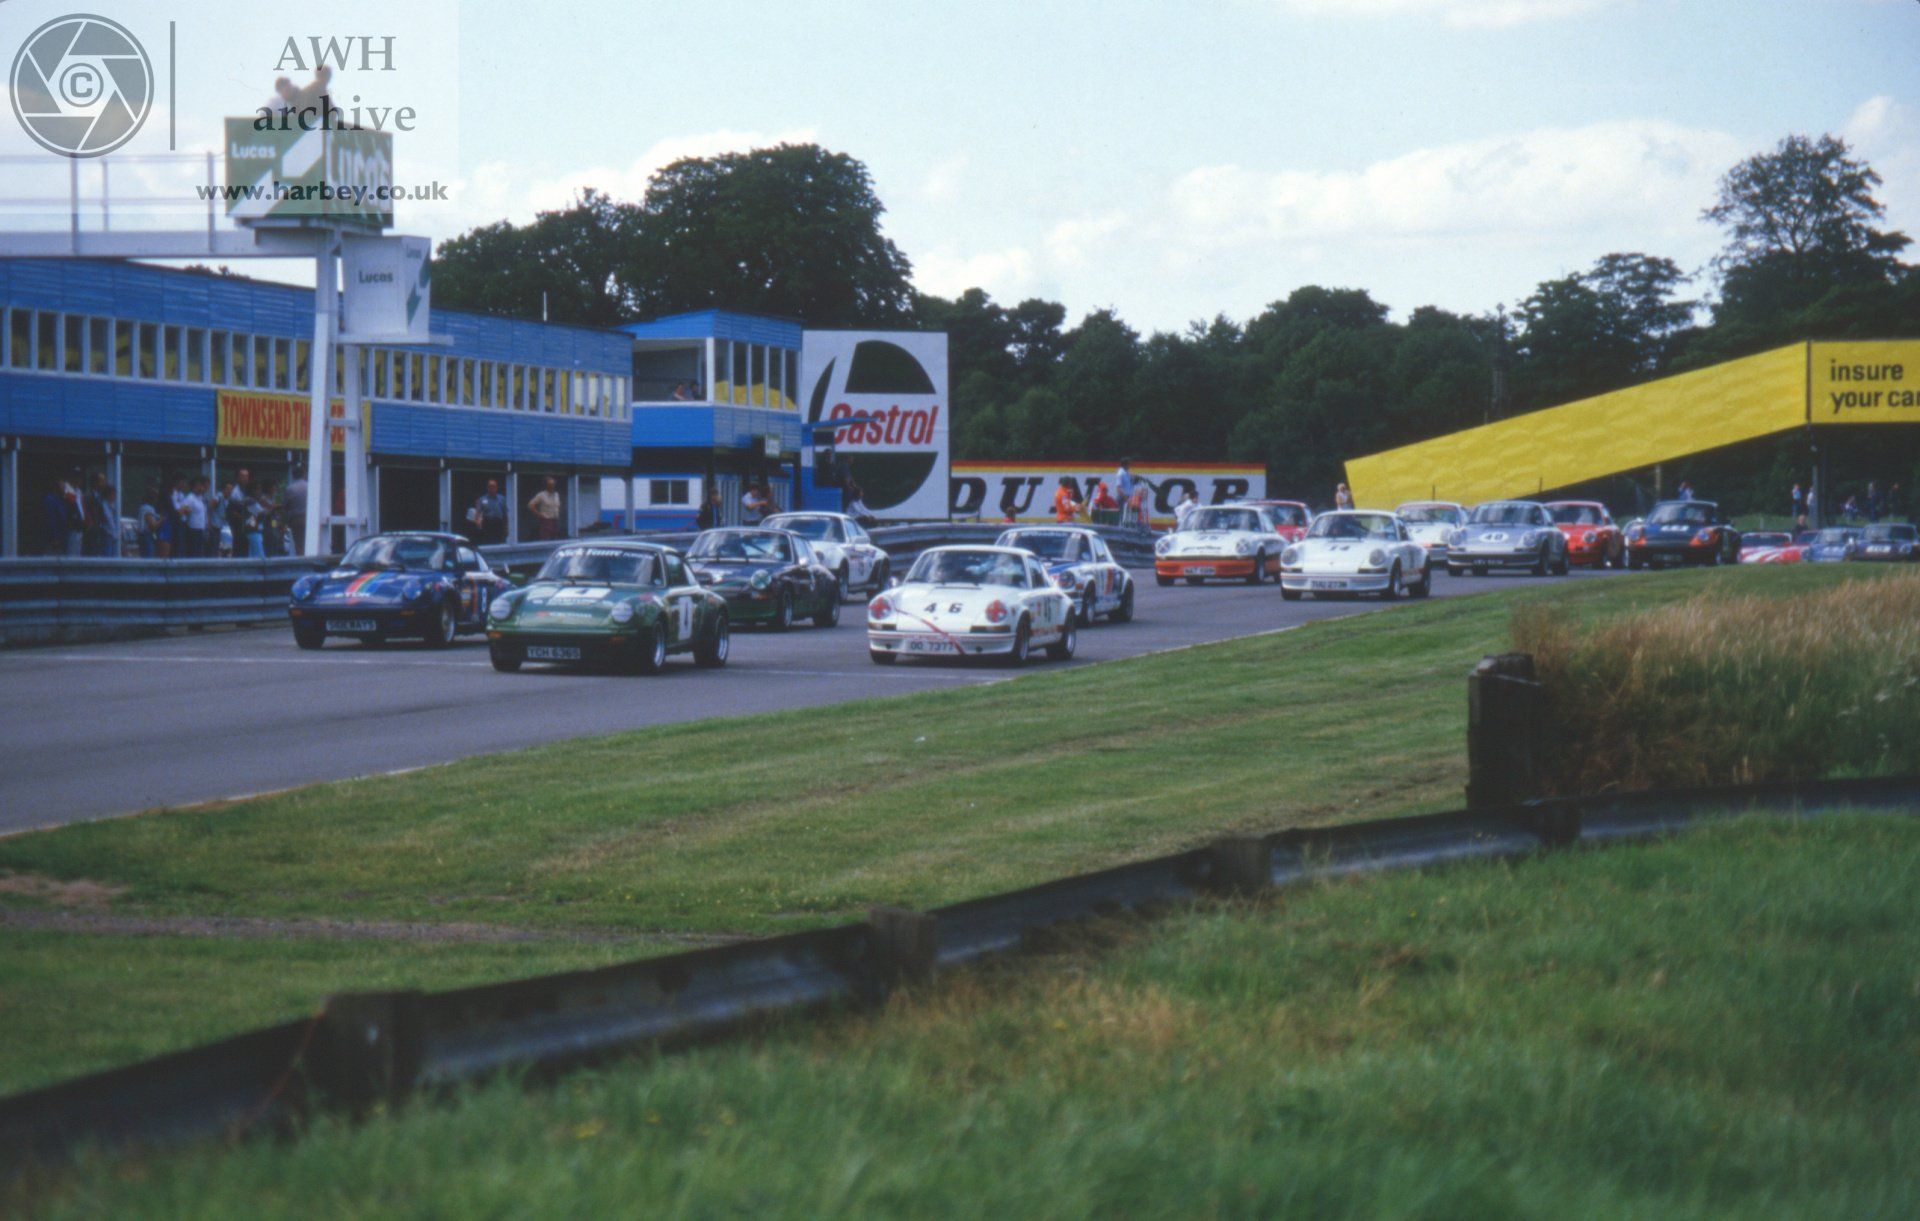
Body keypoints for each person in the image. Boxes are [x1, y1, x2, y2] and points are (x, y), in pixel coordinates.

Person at [84, 472, 118, 557]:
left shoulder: (101, 498)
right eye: (102, 481)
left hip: (99, 534)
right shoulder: (88, 496)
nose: (104, 483)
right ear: (95, 483)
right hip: (91, 533)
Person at [527, 476, 564, 541]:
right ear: (546, 485)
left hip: (555, 521)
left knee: (555, 539)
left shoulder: (556, 494)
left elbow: (557, 506)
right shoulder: (541, 495)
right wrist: (538, 514)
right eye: (550, 485)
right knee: (546, 539)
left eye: (553, 484)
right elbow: (530, 505)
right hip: (546, 521)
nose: (552, 486)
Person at [473, 479, 508, 545]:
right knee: (487, 543)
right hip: (487, 524)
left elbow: (505, 514)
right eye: (490, 486)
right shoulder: (482, 499)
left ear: (496, 487)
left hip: (498, 524)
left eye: (494, 486)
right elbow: (477, 513)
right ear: (487, 488)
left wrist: (506, 528)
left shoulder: (502, 499)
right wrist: (478, 523)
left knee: (500, 543)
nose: (492, 488)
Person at [285, 467, 308, 554]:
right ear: (304, 474)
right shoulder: (310, 487)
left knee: (299, 544)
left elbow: (286, 506)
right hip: (310, 518)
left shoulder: (290, 489)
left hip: (296, 519)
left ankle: (302, 561)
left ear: (293, 475)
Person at [137, 485, 163, 559]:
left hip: (142, 536)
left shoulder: (143, 507)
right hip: (146, 535)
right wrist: (162, 520)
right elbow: (153, 525)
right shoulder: (147, 508)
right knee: (149, 558)